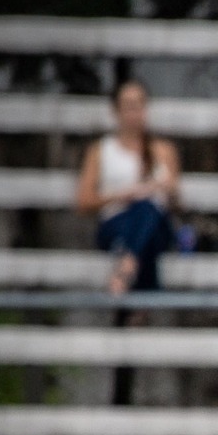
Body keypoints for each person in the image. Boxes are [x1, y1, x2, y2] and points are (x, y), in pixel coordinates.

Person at [76, 80, 180, 294]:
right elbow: (84, 201)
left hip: (157, 224)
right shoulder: (100, 151)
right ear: (116, 111)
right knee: (146, 227)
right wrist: (121, 196)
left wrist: (166, 189)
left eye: (140, 104)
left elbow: (176, 202)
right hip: (117, 224)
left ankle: (126, 266)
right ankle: (138, 314)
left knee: (149, 208)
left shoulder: (164, 150)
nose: (135, 112)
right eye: (129, 105)